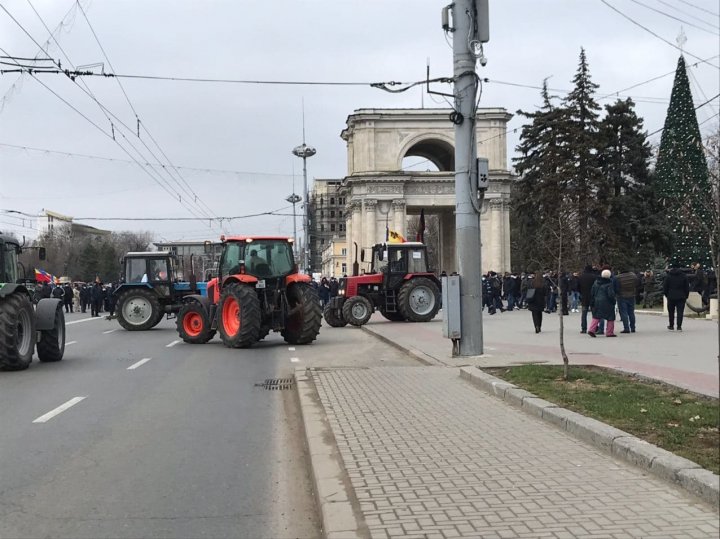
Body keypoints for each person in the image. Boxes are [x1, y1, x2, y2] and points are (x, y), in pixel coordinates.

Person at [588, 269, 617, 337]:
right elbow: (610, 294)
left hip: (597, 301)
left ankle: (591, 329)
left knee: (596, 316)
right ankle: (609, 332)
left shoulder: (596, 282)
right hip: (607, 302)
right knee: (611, 317)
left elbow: (592, 292)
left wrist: (592, 301)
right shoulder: (609, 284)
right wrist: (613, 301)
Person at [663, 263, 690, 331]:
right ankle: (679, 326)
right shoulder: (684, 276)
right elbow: (687, 287)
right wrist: (686, 295)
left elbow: (665, 287)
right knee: (680, 312)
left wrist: (667, 295)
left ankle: (671, 325)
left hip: (671, 296)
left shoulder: (668, 276)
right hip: (681, 296)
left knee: (671, 312)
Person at [616, 269, 639, 333]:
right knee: (631, 312)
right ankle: (633, 327)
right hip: (632, 295)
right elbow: (637, 284)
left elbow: (616, 287)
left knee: (624, 312)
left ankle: (626, 328)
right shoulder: (633, 276)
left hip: (622, 296)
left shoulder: (618, 277)